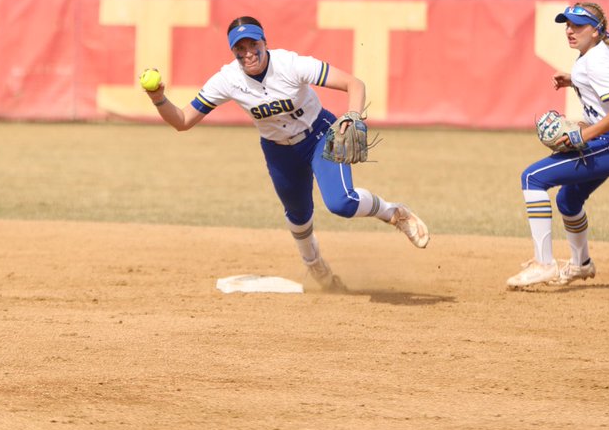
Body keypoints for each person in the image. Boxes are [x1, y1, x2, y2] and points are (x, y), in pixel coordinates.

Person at [141, 15, 430, 292]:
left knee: (341, 203)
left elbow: (354, 84)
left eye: (253, 44)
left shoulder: (291, 64)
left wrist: (352, 116)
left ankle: (395, 213)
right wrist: (158, 99)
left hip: (320, 135)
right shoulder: (227, 79)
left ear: (264, 42)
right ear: (233, 52)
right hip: (278, 151)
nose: (248, 53)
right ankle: (316, 268)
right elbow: (182, 121)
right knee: (298, 215)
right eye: (240, 48)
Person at [507, 1, 609, 290]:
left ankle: (544, 264)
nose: (570, 30)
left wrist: (583, 137)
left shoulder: (597, 60)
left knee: (532, 178)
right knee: (568, 201)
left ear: (597, 32)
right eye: (567, 24)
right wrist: (574, 80)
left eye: (578, 25)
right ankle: (581, 264)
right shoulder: (591, 57)